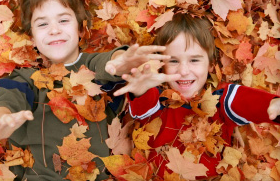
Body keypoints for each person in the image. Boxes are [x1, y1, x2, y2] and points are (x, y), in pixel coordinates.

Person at [0, 0, 171, 180]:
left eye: (63, 20)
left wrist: (120, 61)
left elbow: (106, 63)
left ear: (81, 29)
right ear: (32, 38)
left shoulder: (91, 67)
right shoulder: (25, 79)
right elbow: (8, 99)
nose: (54, 30)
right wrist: (2, 119)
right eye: (43, 24)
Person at [113, 13, 280, 179]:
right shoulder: (157, 104)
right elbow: (143, 104)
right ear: (162, 66)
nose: (184, 71)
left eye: (194, 60)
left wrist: (271, 105)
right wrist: (140, 89)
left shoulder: (218, 105)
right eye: (173, 61)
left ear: (210, 65)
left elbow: (242, 101)